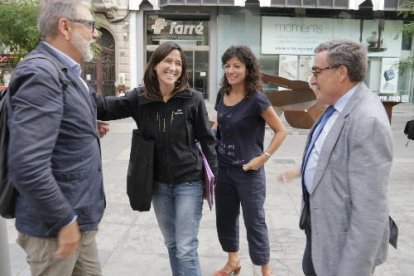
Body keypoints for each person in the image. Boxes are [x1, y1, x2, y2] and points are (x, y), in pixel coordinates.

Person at [94, 41, 218, 276]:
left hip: (188, 183)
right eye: (168, 61)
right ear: (155, 66)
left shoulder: (193, 99)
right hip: (158, 185)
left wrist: (214, 179)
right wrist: (75, 89)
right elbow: (104, 108)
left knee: (185, 248)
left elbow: (207, 140)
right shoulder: (140, 98)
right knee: (172, 244)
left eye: (178, 63)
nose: (173, 67)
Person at [7, 0, 106, 275]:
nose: (94, 33)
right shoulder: (41, 73)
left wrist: (82, 129)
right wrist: (65, 220)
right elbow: (27, 164)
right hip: (55, 229)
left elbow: (87, 110)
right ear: (65, 26)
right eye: (90, 25)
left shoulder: (68, 72)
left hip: (78, 222)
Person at [279, 39, 393, 276]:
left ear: (341, 72)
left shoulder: (367, 120)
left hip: (343, 245)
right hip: (321, 230)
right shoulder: (335, 106)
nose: (311, 79)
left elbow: (370, 211)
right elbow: (329, 152)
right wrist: (301, 170)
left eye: (316, 71)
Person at [213, 45, 287, 276]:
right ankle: (233, 261)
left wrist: (262, 159)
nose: (231, 70)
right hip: (223, 169)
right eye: (227, 66)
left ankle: (266, 270)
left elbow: (280, 131)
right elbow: (218, 125)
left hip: (249, 172)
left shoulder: (257, 99)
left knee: (254, 222)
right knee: (225, 218)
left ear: (248, 68)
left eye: (236, 66)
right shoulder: (222, 94)